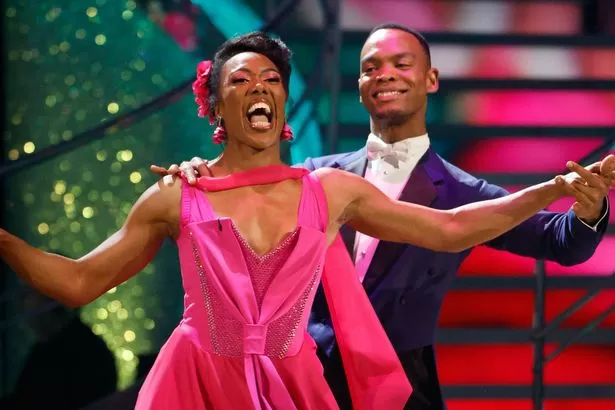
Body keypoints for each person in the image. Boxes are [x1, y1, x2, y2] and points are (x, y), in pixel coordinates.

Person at [2, 32, 613, 410]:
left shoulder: (329, 189)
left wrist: (554, 189)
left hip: (301, 384)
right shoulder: (177, 195)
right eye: (241, 80)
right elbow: (76, 282)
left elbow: (453, 227)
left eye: (272, 79)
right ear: (215, 104)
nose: (260, 87)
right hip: (199, 384)